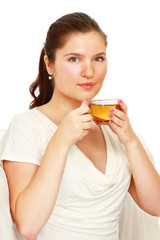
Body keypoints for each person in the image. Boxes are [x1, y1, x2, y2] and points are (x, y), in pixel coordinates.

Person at [0, 12, 160, 240]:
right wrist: (61, 140)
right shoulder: (27, 125)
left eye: (98, 58)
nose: (89, 72)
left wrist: (131, 141)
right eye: (74, 59)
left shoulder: (113, 130)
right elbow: (27, 226)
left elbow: (156, 206)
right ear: (50, 64)